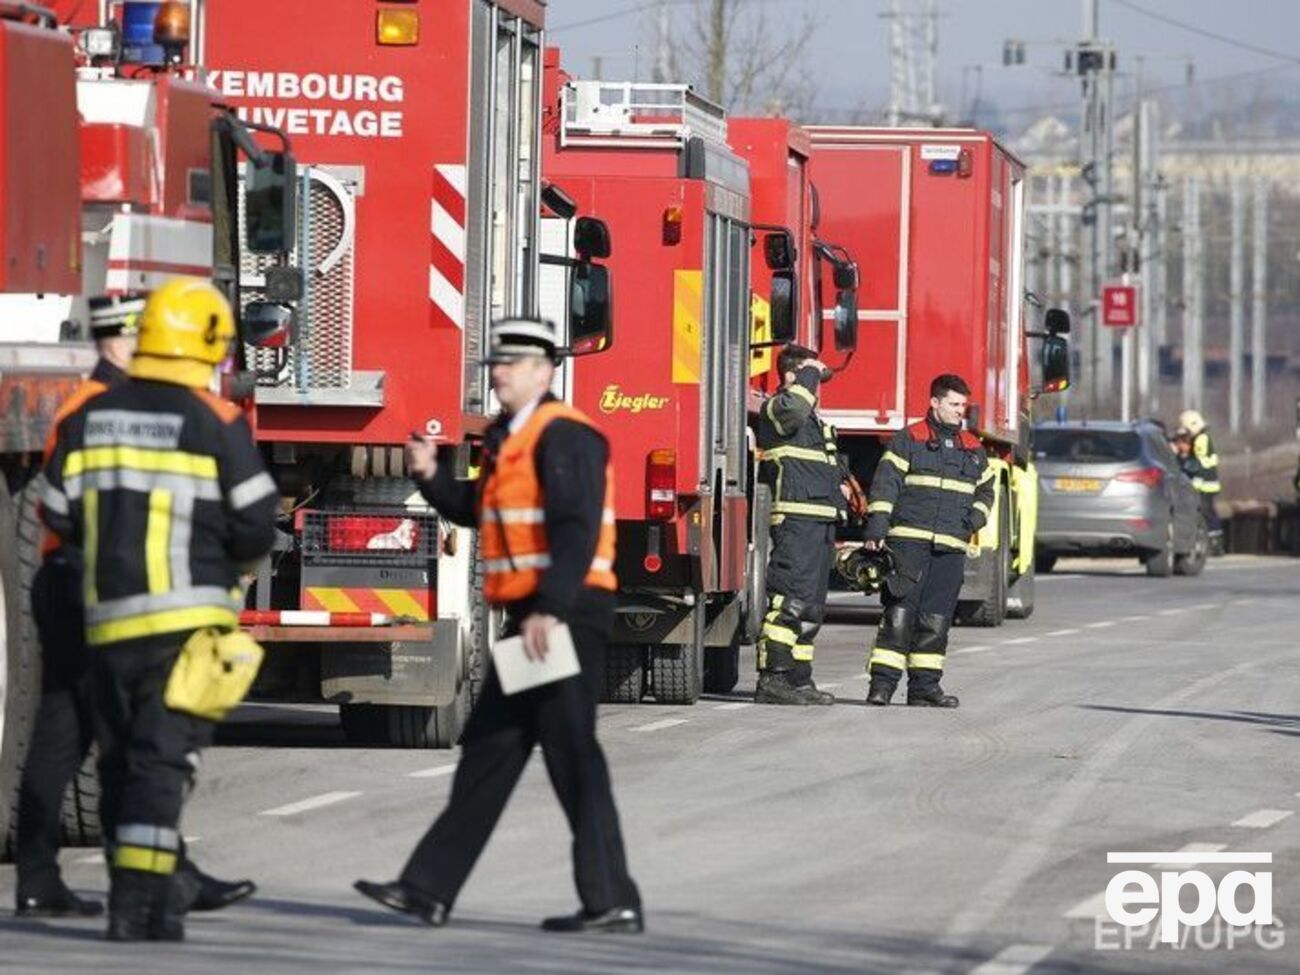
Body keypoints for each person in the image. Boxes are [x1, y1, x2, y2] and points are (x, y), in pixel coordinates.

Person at [355, 318, 641, 934]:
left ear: (546, 370)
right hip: (534, 617)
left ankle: (611, 899)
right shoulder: (509, 438)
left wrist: (548, 610)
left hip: (562, 614)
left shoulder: (564, 435)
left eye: (513, 362)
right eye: (496, 362)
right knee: (491, 749)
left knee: (570, 754)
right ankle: (426, 889)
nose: (500, 371)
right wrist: (429, 476)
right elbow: (478, 507)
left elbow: (576, 529)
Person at [40, 278, 278, 941]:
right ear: (207, 344)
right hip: (186, 628)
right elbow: (258, 524)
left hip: (109, 623)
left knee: (118, 762)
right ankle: (141, 908)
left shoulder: (90, 414)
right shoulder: (215, 420)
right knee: (160, 765)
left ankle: (137, 898)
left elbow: (55, 511)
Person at [861, 374, 994, 708]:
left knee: (936, 619)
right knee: (899, 615)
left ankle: (924, 688)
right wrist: (877, 528)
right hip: (909, 543)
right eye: (953, 404)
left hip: (950, 546)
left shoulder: (974, 448)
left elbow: (986, 490)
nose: (959, 412)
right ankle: (882, 686)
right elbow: (885, 484)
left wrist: (973, 521)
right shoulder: (910, 438)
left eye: (963, 405)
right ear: (934, 402)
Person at [752, 344, 848, 706]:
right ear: (793, 376)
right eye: (811, 378)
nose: (817, 385)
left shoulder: (815, 422)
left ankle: (798, 679)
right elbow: (792, 409)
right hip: (795, 518)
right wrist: (809, 371)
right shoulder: (778, 408)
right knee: (789, 599)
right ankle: (773, 678)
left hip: (819, 520)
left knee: (810, 607)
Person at [1174, 409, 1223, 555]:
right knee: (1208, 513)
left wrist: (1183, 458)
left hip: (1205, 485)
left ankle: (1214, 544)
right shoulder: (1202, 438)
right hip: (1206, 484)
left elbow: (1197, 463)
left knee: (1206, 514)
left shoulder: (1201, 440)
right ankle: (1214, 543)